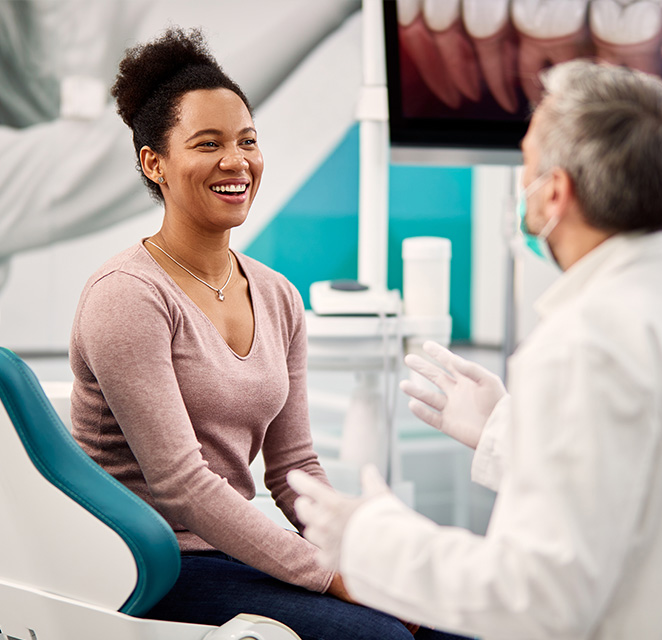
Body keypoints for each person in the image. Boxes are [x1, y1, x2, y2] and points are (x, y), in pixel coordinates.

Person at [288, 59, 662, 639]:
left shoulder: (584, 340)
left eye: (527, 164)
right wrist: (505, 432)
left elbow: (532, 598)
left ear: (555, 192)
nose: (521, 186)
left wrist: (370, 540)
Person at [69, 26, 468, 640]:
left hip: (233, 551)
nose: (236, 161)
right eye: (208, 143)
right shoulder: (127, 296)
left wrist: (358, 553)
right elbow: (181, 486)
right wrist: (330, 576)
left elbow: (294, 467)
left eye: (247, 141)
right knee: (380, 637)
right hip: (146, 565)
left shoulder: (277, 294)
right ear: (154, 163)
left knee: (453, 621)